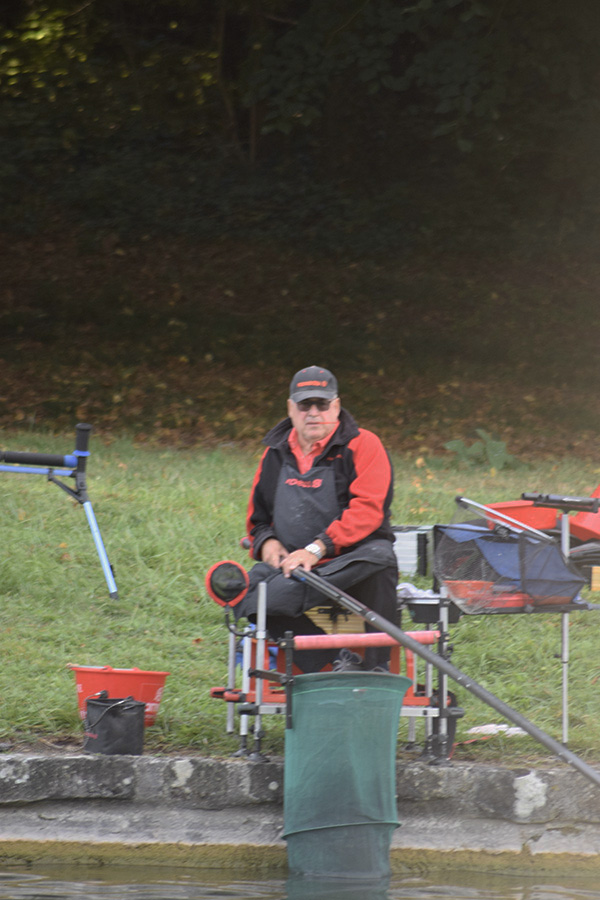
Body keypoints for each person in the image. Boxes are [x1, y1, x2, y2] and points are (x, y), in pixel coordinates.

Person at [234, 365, 398, 672]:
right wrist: (266, 541)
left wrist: (315, 549)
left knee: (380, 559)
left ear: (336, 407)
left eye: (322, 404)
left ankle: (376, 667)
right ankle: (335, 662)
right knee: (250, 600)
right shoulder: (274, 453)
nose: (313, 412)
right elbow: (258, 517)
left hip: (351, 560)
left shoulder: (365, 444)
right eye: (304, 404)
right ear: (290, 409)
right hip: (294, 568)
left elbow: (368, 511)